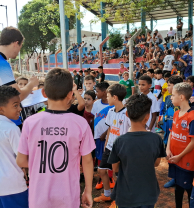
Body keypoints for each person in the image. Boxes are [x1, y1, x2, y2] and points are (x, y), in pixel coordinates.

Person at [16, 68, 95, 208]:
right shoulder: (80, 123)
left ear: (44, 93)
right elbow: (87, 161)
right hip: (68, 197)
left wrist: (42, 163)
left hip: (38, 197)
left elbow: (21, 160)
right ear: (71, 95)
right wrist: (88, 190)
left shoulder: (30, 122)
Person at [108, 94, 166, 208]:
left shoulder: (120, 141)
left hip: (125, 195)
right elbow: (156, 163)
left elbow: (115, 168)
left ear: (127, 114)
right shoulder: (156, 139)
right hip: (148, 194)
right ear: (147, 117)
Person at [0, 27, 39, 121]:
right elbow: (18, 96)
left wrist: (26, 90)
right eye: (20, 47)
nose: (19, 51)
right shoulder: (0, 63)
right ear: (16, 43)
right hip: (2, 122)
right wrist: (31, 84)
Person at [94, 84, 129, 207]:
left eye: (108, 96)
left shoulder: (127, 114)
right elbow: (110, 129)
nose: (106, 99)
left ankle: (118, 198)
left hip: (121, 150)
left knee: (118, 174)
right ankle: (108, 194)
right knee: (102, 170)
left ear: (114, 97)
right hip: (109, 147)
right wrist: (106, 145)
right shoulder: (110, 111)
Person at [166, 83, 194, 208]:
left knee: (189, 189)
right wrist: (168, 148)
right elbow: (171, 133)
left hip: (186, 161)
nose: (171, 97)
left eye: (173, 95)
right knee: (178, 187)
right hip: (175, 159)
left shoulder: (192, 117)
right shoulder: (176, 114)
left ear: (181, 97)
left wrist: (180, 156)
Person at [161, 76, 184, 189]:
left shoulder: (181, 100)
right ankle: (173, 177)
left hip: (178, 133)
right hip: (168, 130)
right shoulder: (167, 98)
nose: (167, 87)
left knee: (177, 155)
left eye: (169, 85)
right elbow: (165, 111)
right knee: (169, 154)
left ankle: (178, 178)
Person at [91, 82, 114, 190]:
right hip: (98, 137)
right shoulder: (96, 104)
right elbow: (94, 119)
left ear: (104, 92)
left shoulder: (113, 105)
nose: (96, 93)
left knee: (110, 157)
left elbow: (112, 123)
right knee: (100, 157)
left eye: (97, 91)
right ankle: (101, 178)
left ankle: (110, 178)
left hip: (109, 137)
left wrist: (105, 134)